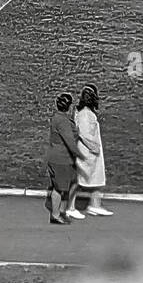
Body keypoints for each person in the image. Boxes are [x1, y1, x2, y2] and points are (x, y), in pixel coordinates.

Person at [73, 85, 111, 216]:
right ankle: (71, 207)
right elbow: (84, 134)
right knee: (82, 179)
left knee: (96, 179)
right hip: (88, 152)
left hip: (91, 151)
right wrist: (94, 147)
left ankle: (95, 204)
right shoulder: (85, 114)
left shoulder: (86, 113)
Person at [45, 92, 82, 224]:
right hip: (61, 159)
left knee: (67, 184)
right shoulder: (63, 121)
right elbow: (70, 141)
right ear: (69, 106)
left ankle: (61, 211)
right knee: (59, 188)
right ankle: (55, 215)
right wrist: (80, 155)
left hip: (58, 157)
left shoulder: (58, 117)